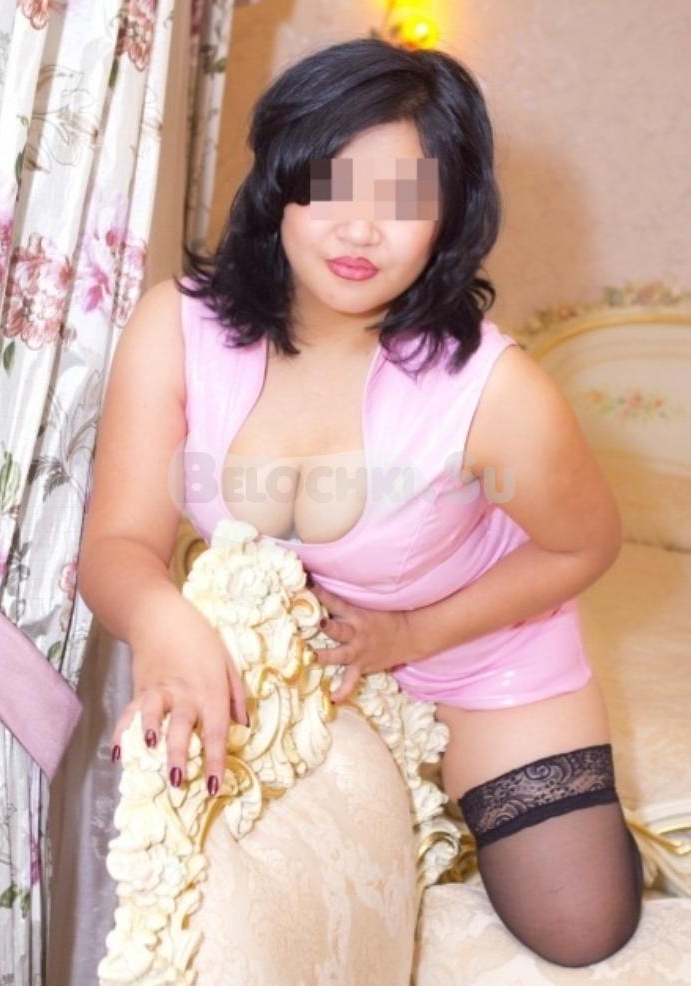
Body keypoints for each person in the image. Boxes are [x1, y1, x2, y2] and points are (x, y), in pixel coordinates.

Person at [78, 36, 643, 968]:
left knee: (581, 929)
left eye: (404, 201)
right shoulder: (177, 327)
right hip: (306, 657)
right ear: (281, 184)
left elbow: (587, 545)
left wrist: (412, 635)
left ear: (449, 218)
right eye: (331, 186)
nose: (358, 232)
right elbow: (117, 542)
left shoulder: (497, 390)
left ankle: (510, 810)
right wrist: (162, 621)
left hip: (476, 648)